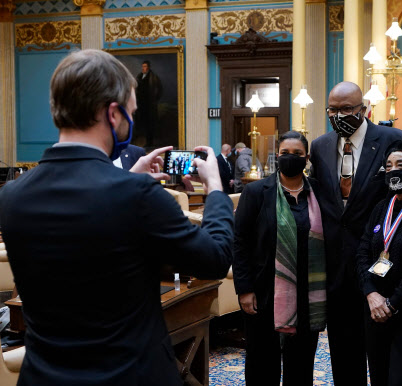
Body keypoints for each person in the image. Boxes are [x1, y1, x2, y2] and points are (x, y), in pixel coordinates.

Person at [0, 49, 233, 386]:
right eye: (131, 113)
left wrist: (131, 179)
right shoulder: (137, 196)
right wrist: (215, 188)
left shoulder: (11, 196)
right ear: (113, 113)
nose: (131, 121)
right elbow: (214, 259)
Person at [309, 81, 402, 386]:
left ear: (363, 109)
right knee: (343, 353)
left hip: (382, 266)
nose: (338, 115)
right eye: (332, 109)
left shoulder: (394, 140)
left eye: (346, 109)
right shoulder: (320, 146)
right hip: (337, 267)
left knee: (383, 355)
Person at [233, 131, 326, 385]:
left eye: (297, 154)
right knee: (262, 362)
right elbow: (240, 241)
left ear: (306, 159)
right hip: (263, 292)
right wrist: (244, 288)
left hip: (308, 294)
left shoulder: (318, 192)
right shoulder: (256, 192)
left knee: (301, 363)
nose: (291, 158)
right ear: (277, 156)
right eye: (285, 153)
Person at [355, 139, 402, 386]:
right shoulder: (381, 207)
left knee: (399, 377)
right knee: (377, 374)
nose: (392, 171)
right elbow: (363, 251)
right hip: (373, 307)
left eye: (401, 165)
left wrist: (392, 304)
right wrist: (371, 294)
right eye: (388, 166)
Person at [134, 60, 163, 148]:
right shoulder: (139, 76)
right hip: (141, 105)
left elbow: (159, 90)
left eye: (145, 67)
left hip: (149, 105)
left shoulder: (153, 77)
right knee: (141, 123)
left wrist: (154, 100)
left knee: (150, 124)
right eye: (142, 66)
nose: (143, 68)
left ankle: (150, 142)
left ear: (148, 67)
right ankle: (141, 140)